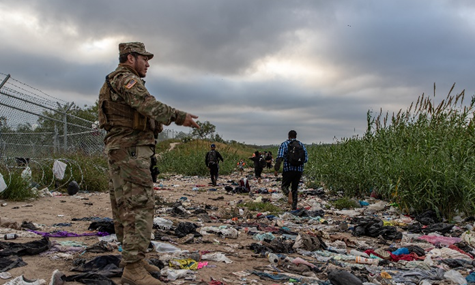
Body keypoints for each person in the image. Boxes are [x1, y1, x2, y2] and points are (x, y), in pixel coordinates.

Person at [98, 42, 199, 285]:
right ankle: (133, 269)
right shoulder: (126, 79)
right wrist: (178, 116)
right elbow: (147, 105)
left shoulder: (116, 80)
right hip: (131, 150)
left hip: (122, 149)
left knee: (125, 205)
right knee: (138, 205)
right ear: (130, 58)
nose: (148, 64)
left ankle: (134, 259)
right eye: (145, 59)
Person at [274, 130, 308, 210]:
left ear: (288, 136)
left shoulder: (284, 144)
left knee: (284, 186)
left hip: (288, 169)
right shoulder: (301, 145)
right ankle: (294, 207)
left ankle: (288, 194)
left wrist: (276, 169)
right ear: (296, 136)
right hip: (298, 170)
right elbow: (305, 159)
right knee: (295, 188)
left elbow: (280, 158)